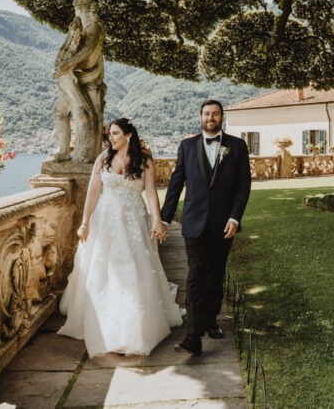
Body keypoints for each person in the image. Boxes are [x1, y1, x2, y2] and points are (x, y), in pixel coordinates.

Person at [57, 118, 182, 357]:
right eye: (109, 134)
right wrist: (85, 223)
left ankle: (132, 327)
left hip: (133, 219)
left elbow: (152, 193)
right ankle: (103, 323)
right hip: (104, 220)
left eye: (115, 134)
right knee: (103, 269)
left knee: (133, 269)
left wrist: (157, 219)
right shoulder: (103, 159)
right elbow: (93, 193)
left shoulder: (144, 161)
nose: (111, 138)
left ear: (129, 135)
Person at [160, 99, 251, 356]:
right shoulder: (186, 146)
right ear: (200, 117)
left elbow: (243, 186)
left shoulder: (237, 146)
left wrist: (234, 218)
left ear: (222, 117)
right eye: (206, 114)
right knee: (196, 276)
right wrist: (165, 218)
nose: (211, 118)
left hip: (224, 225)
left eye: (215, 114)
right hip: (194, 224)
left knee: (215, 276)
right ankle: (193, 337)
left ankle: (210, 320)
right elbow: (176, 183)